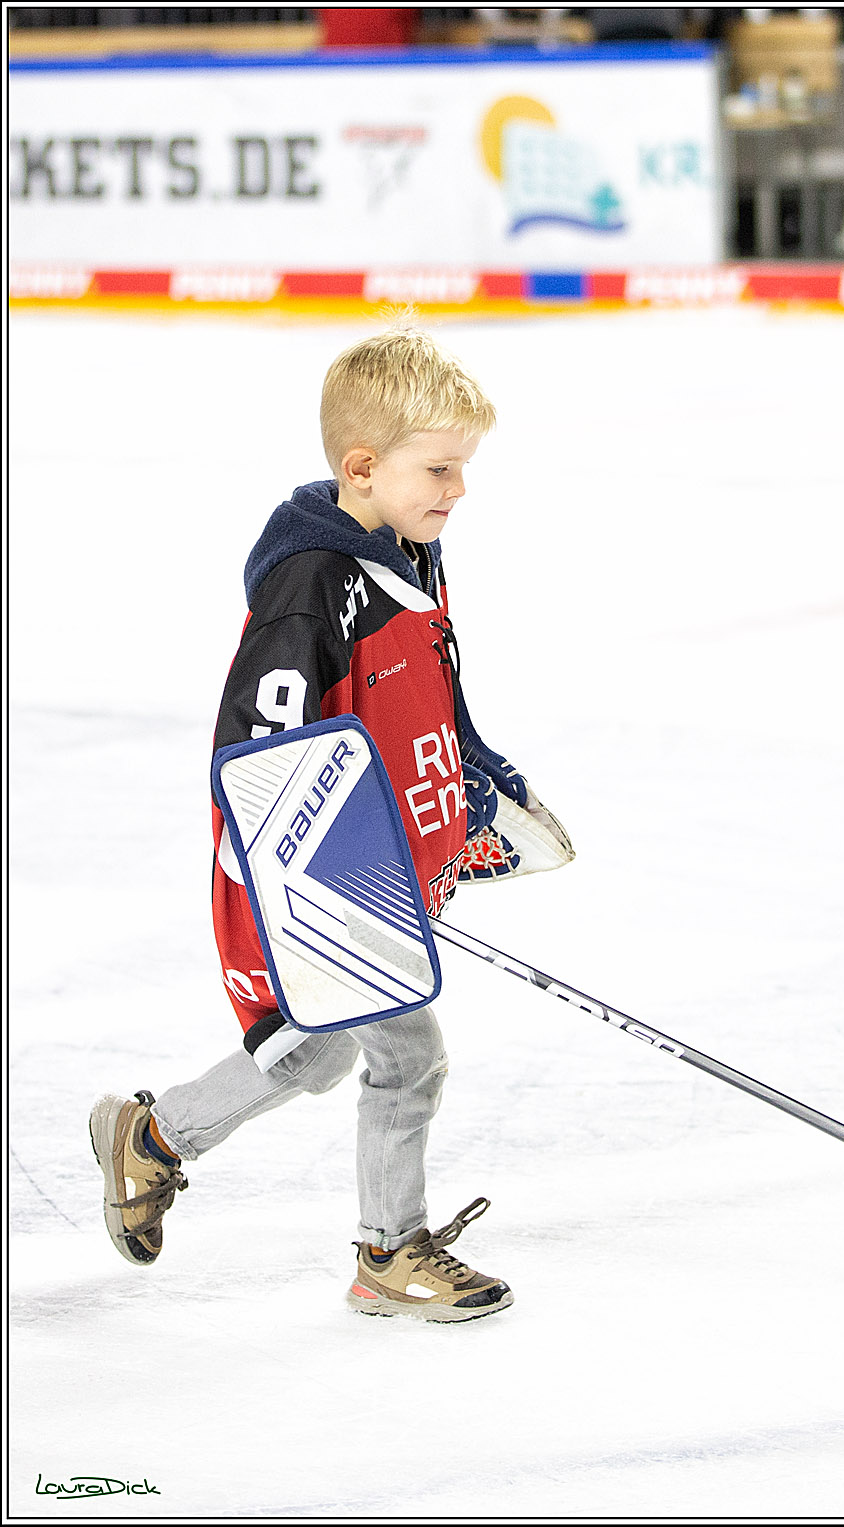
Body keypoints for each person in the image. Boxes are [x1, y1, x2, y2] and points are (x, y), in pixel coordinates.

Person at [88, 326, 571, 1322]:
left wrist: (474, 788)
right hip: (320, 875)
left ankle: (153, 1137)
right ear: (361, 467)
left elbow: (430, 702)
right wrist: (330, 879)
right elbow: (262, 751)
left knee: (315, 1051)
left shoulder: (410, 552)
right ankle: (389, 1252)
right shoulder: (310, 585)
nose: (459, 489)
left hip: (374, 863)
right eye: (440, 469)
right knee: (406, 1056)